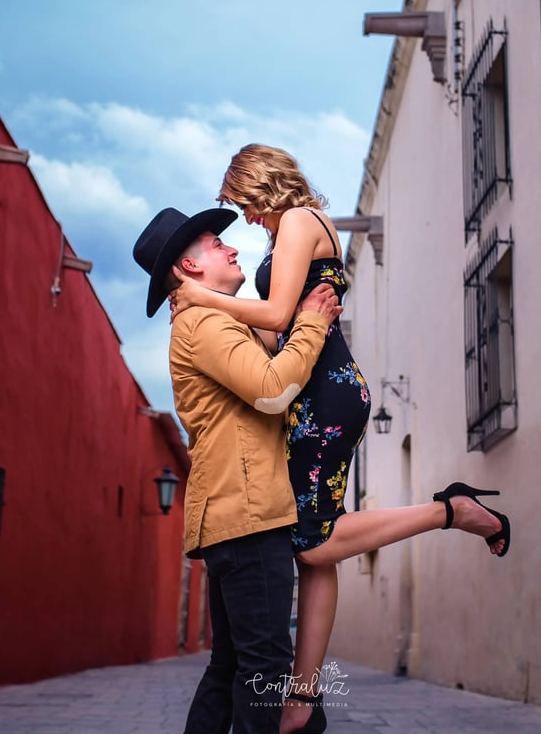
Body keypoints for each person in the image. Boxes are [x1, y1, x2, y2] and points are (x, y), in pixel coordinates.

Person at [170, 145, 512, 734]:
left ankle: (449, 511)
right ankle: (302, 700)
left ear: (262, 185)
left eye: (245, 204)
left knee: (311, 542)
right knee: (313, 544)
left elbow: (279, 317)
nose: (247, 218)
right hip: (316, 388)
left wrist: (200, 297)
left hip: (323, 391)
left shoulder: (300, 222)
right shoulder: (293, 230)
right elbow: (279, 328)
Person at [133, 206, 343, 734]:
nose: (231, 247)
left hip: (235, 512)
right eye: (214, 244)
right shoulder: (203, 323)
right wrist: (313, 325)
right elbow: (272, 390)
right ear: (188, 266)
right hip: (247, 515)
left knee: (232, 665)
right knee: (264, 668)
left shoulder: (215, 318)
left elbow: (269, 343)